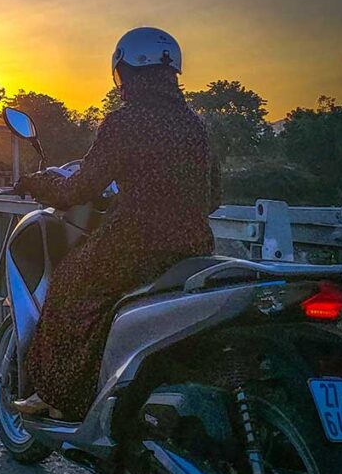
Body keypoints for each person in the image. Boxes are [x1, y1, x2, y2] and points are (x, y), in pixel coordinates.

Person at [13, 27, 221, 420]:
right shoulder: (195, 125)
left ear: (124, 72)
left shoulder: (126, 123)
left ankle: (58, 396)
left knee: (70, 285)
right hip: (195, 250)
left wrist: (37, 183)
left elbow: (80, 189)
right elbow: (214, 197)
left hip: (135, 245)